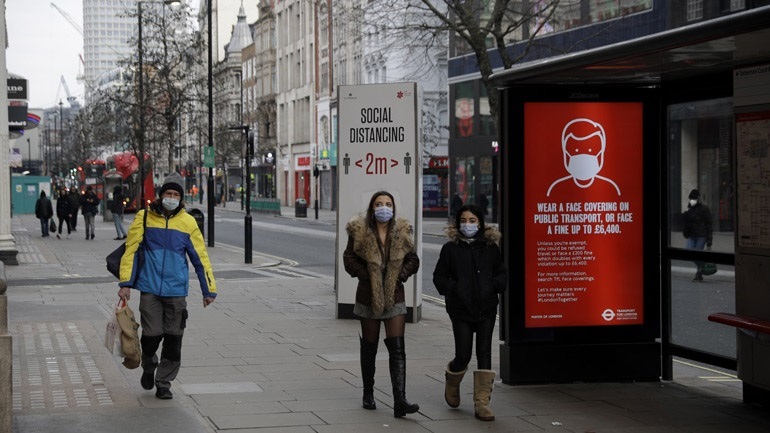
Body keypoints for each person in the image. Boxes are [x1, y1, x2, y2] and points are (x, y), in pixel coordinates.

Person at [117, 172, 217, 400]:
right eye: (167, 194)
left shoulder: (188, 222)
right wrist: (125, 284)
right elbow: (130, 251)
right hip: (149, 288)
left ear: (180, 198)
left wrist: (208, 289)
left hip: (176, 290)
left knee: (174, 339)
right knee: (151, 336)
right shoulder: (143, 217)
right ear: (161, 196)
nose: (171, 197)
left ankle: (164, 382)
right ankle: (149, 364)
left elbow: (201, 258)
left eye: (175, 194)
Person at [343, 191, 420, 418]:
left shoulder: (402, 231)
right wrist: (368, 274)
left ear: (393, 208)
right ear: (372, 208)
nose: (383, 208)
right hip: (368, 295)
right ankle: (368, 392)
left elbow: (413, 259)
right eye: (379, 204)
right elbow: (348, 259)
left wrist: (401, 275)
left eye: (387, 204)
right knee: (370, 346)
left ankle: (400, 400)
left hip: (395, 294)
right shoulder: (360, 231)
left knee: (397, 347)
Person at [432, 204, 507, 421]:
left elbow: (501, 273)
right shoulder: (450, 249)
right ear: (457, 223)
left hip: (486, 307)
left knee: (484, 353)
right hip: (461, 309)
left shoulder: (491, 248)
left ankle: (482, 403)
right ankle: (452, 380)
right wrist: (454, 289)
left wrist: (494, 286)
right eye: (464, 220)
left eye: (472, 220)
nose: (468, 224)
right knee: (463, 355)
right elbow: (439, 277)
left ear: (480, 223)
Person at [682, 189, 713, 282]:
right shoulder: (690, 209)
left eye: (694, 199)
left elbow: (709, 225)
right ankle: (702, 267)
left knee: (696, 254)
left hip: (701, 235)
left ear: (698, 198)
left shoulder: (704, 209)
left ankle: (699, 273)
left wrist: (709, 242)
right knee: (689, 252)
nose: (692, 200)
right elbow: (687, 223)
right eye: (691, 199)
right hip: (692, 235)